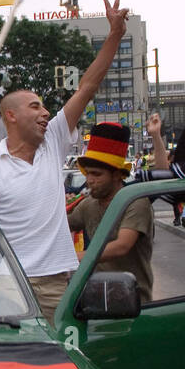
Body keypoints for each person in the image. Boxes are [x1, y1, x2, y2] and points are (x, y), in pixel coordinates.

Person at [0, 0, 129, 322]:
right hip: (6, 283)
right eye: (35, 106)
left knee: (56, 351)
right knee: (19, 353)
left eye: (44, 107)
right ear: (11, 116)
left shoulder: (53, 141)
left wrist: (114, 35)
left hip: (56, 283)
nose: (45, 113)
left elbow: (87, 87)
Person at [66, 122, 155, 303]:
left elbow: (122, 246)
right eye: (87, 174)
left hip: (134, 301)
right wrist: (59, 209)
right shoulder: (88, 204)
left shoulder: (135, 202)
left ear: (116, 175)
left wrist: (70, 260)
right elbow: (58, 227)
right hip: (96, 299)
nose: (89, 180)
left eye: (97, 174)